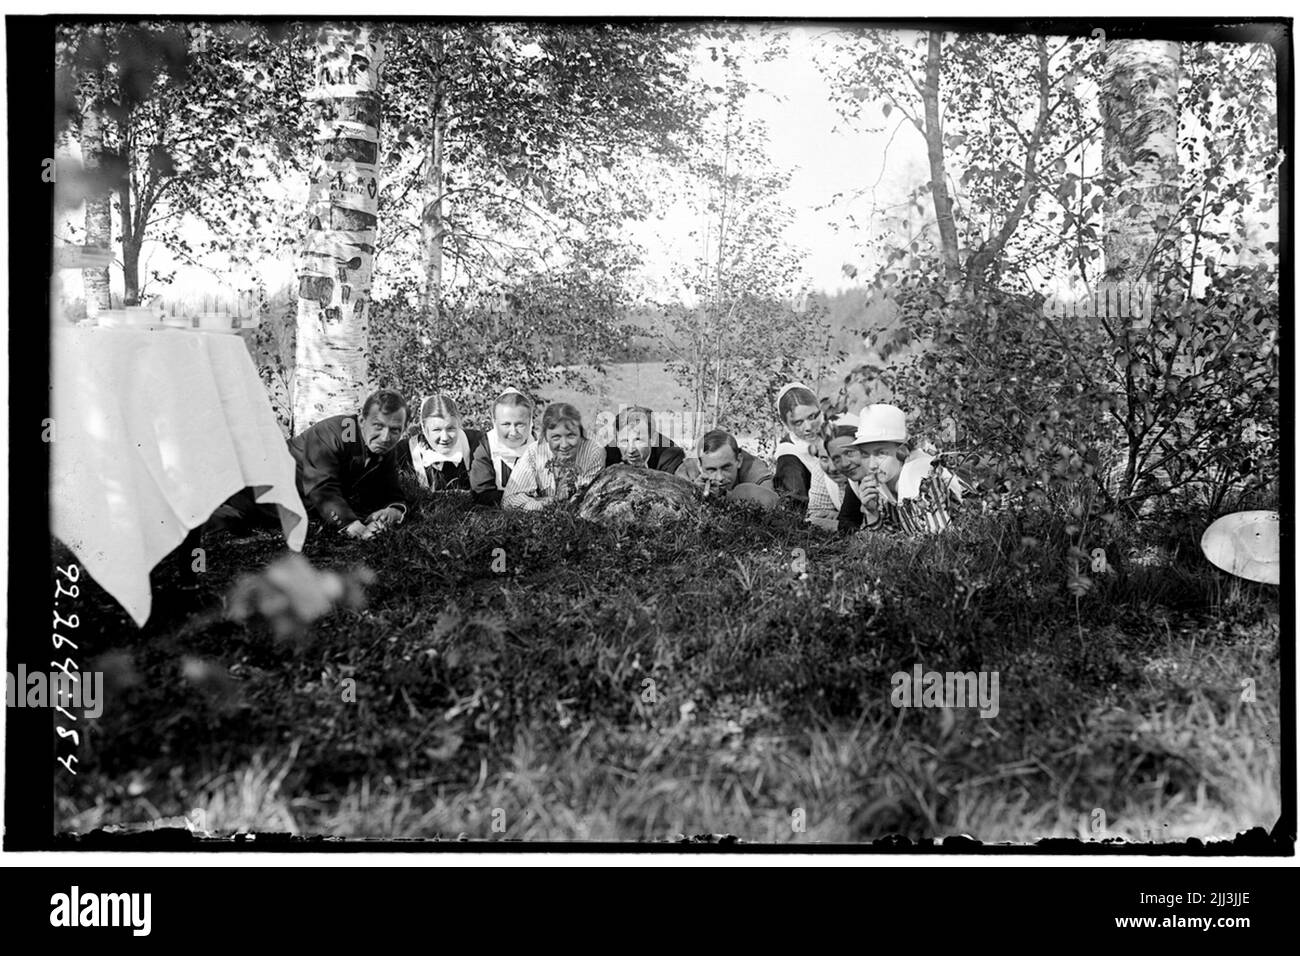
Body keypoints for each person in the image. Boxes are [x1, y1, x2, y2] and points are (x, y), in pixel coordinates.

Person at [212, 388, 411, 541]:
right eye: (378, 426)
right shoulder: (333, 433)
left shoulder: (384, 446)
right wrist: (355, 527)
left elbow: (392, 491)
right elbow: (322, 488)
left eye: (395, 430)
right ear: (361, 420)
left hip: (294, 509)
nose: (386, 437)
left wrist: (393, 511)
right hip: (254, 494)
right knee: (223, 521)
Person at [835, 403, 970, 536]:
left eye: (881, 453)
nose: (871, 465)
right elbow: (888, 545)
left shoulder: (921, 476)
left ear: (902, 451)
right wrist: (872, 513)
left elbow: (941, 539)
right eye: (865, 454)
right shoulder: (883, 483)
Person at [502, 402, 605, 511]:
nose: (564, 445)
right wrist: (549, 502)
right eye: (556, 437)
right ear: (545, 437)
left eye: (571, 436)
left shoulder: (593, 452)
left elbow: (588, 502)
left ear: (580, 433)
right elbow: (509, 501)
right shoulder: (535, 452)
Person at [393, 393, 485, 493]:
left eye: (451, 428)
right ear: (424, 428)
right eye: (436, 430)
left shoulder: (477, 443)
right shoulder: (404, 452)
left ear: (459, 423)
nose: (445, 438)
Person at [677, 429, 779, 510]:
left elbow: (771, 502)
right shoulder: (687, 470)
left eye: (726, 468)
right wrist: (694, 492)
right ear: (699, 465)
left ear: (739, 460)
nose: (720, 477)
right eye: (711, 470)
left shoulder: (754, 468)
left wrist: (728, 496)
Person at [469, 388, 536, 507]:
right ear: (494, 423)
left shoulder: (541, 447)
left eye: (520, 424)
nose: (513, 432)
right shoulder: (485, 446)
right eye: (506, 424)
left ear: (530, 422)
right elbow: (481, 494)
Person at [773, 382, 824, 515]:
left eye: (812, 417)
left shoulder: (834, 435)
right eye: (798, 422)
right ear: (786, 425)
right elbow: (795, 509)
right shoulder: (789, 456)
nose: (808, 427)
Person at [807, 413, 858, 531]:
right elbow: (816, 515)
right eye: (824, 458)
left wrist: (841, 520)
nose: (833, 468)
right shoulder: (820, 472)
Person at [604, 405, 685, 473]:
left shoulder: (670, 456)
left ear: (652, 439)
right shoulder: (607, 454)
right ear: (616, 440)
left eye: (638, 440)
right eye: (625, 441)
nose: (631, 450)